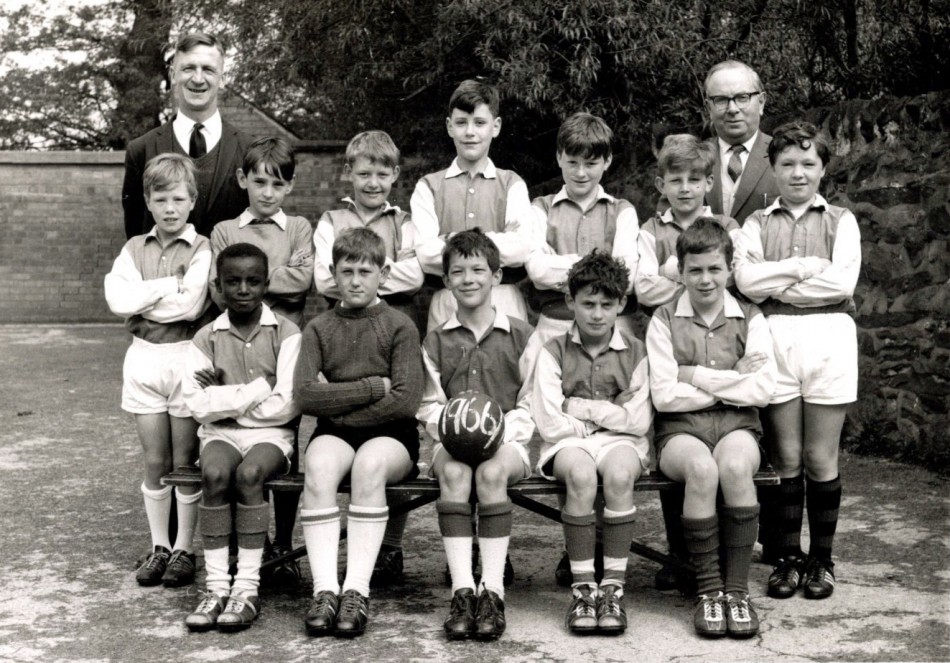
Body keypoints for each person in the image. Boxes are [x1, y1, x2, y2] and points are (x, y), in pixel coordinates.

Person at [734, 121, 860, 601]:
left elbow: (841, 285)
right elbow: (746, 281)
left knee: (819, 456)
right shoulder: (756, 224)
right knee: (786, 456)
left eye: (808, 163)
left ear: (823, 168)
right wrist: (805, 269)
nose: (798, 173)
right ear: (773, 169)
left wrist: (777, 282)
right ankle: (786, 557)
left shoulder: (841, 221)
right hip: (775, 337)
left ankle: (821, 561)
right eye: (787, 164)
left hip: (830, 337)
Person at [522, 111, 639, 587]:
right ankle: (573, 546)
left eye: (592, 163)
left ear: (606, 162)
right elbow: (535, 269)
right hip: (554, 324)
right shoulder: (541, 207)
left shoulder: (623, 211)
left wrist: (567, 267)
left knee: (608, 425)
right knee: (563, 438)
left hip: (610, 327)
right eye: (572, 161)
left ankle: (595, 550)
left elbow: (624, 268)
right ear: (560, 159)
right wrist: (594, 268)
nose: (581, 172)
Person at [646, 219, 776, 638]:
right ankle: (708, 592)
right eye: (695, 270)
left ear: (730, 269)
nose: (705, 280)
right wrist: (728, 382)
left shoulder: (750, 316)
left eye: (714, 269)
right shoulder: (663, 319)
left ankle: (737, 592)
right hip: (680, 429)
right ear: (680, 272)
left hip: (738, 423)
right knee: (701, 471)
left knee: (736, 468)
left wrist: (693, 374)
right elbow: (665, 396)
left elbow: (762, 390)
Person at [295, 228, 424, 638]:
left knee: (369, 467)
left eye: (365, 271)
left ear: (382, 274)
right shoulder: (319, 327)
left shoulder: (399, 325)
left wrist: (338, 402)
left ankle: (356, 590)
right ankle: (325, 590)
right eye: (346, 271)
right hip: (336, 431)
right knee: (317, 467)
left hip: (393, 435)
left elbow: (405, 400)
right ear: (332, 273)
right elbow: (305, 395)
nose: (355, 280)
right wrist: (369, 388)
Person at [416, 229, 534, 641]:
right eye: (457, 271)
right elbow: (428, 403)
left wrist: (495, 434)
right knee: (454, 475)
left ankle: (493, 592)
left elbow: (532, 402)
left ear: (497, 277)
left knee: (489, 475)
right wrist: (453, 430)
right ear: (446, 281)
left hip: (507, 443)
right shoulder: (435, 340)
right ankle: (463, 590)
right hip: (451, 442)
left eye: (478, 270)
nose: (468, 279)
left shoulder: (522, 335)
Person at [635, 133, 741, 592]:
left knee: (724, 459)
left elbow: (735, 285)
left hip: (716, 336)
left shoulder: (726, 226)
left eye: (694, 179)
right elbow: (642, 289)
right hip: (668, 335)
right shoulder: (650, 231)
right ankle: (680, 554)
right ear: (661, 183)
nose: (684, 188)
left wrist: (673, 275)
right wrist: (683, 283)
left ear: (708, 182)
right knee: (677, 439)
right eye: (675, 179)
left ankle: (716, 557)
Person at [208, 135, 313, 589]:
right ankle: (241, 542)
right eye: (259, 182)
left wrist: (250, 276)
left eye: (277, 183)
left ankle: (283, 545)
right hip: (234, 344)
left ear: (289, 187)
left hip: (285, 346)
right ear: (242, 180)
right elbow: (220, 289)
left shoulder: (300, 229)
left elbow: (303, 278)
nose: (267, 193)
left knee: (283, 441)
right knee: (235, 430)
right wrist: (274, 276)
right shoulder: (225, 230)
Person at [179, 242, 301, 632]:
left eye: (253, 281)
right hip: (221, 434)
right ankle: (216, 587)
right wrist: (256, 389)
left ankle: (246, 589)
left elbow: (287, 404)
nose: (243, 289)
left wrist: (225, 396)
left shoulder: (287, 332)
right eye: (233, 281)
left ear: (267, 285)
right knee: (214, 475)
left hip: (272, 435)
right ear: (218, 285)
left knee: (250, 476)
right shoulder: (206, 337)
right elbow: (198, 406)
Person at [104, 153, 210, 589]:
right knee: (154, 459)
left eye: (178, 199)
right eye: (161, 198)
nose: (170, 207)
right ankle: (159, 546)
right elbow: (118, 301)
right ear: (147, 201)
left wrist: (145, 295)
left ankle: (185, 548)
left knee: (185, 460)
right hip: (144, 356)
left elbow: (191, 305)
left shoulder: (202, 248)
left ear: (192, 201)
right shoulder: (133, 248)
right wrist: (169, 285)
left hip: (185, 355)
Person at [531, 251, 652, 635]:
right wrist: (601, 419)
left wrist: (581, 407)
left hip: (621, 442)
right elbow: (550, 420)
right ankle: (583, 589)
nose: (597, 314)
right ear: (570, 302)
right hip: (568, 442)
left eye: (606, 304)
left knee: (618, 475)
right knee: (581, 476)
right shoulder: (552, 350)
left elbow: (637, 420)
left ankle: (613, 588)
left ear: (621, 304)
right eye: (587, 304)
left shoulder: (636, 351)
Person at [410, 79, 537, 332]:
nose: (470, 132)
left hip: (503, 298)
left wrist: (450, 239)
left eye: (480, 123)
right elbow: (425, 254)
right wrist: (493, 244)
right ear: (449, 127)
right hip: (448, 301)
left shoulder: (511, 183)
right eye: (461, 123)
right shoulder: (429, 186)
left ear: (496, 126)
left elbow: (521, 247)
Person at [123, 32, 251, 239]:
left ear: (222, 79)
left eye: (208, 69)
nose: (198, 79)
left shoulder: (249, 149)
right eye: (188, 68)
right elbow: (136, 233)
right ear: (173, 75)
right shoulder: (141, 149)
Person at [314, 130, 424, 330]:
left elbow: (414, 278)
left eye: (382, 175)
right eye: (364, 174)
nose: (373, 184)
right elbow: (324, 281)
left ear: (395, 174)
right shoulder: (331, 221)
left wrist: (348, 271)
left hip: (394, 326)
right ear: (348, 172)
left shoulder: (404, 223)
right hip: (343, 326)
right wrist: (387, 267)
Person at [703, 60, 780, 225]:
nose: (732, 109)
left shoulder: (785, 157)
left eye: (742, 98)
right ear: (709, 108)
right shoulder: (692, 158)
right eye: (721, 100)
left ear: (761, 102)